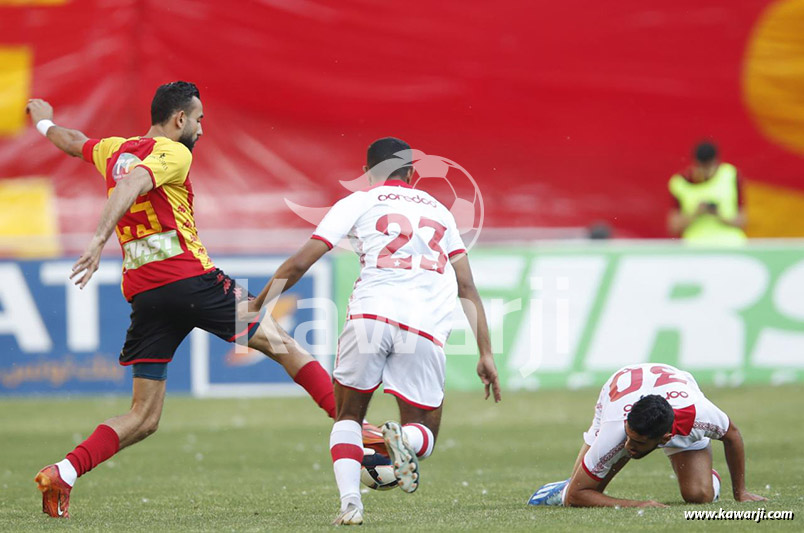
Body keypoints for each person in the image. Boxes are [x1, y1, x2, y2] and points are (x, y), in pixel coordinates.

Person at [26, 82, 337, 519]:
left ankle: (64, 471)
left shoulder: (114, 149)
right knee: (284, 344)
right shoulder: (174, 153)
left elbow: (73, 141)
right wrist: (97, 240)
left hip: (147, 293)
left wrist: (43, 120)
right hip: (191, 281)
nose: (201, 129)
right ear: (179, 120)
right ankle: (359, 430)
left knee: (144, 416)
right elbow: (134, 183)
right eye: (199, 119)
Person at [251, 137, 502, 525]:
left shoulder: (358, 202)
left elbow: (302, 261)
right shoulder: (441, 212)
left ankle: (351, 504)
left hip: (370, 316)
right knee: (425, 433)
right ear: (412, 173)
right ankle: (403, 439)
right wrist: (485, 353)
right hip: (424, 328)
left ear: (368, 174)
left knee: (348, 418)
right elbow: (467, 287)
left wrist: (258, 304)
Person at [527, 363, 767, 508]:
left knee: (699, 496)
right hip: (618, 390)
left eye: (638, 442)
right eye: (629, 436)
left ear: (664, 438)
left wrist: (741, 493)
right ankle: (563, 483)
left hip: (676, 397)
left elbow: (732, 436)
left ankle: (705, 473)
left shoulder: (700, 414)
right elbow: (576, 497)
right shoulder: (617, 429)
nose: (629, 446)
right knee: (579, 489)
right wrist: (638, 505)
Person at [667, 141, 747, 244]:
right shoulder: (680, 183)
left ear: (716, 162)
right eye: (702, 167)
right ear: (695, 164)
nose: (705, 172)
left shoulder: (731, 175)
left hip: (730, 245)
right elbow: (673, 227)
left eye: (709, 167)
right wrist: (696, 213)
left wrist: (719, 215)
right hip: (696, 246)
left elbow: (743, 221)